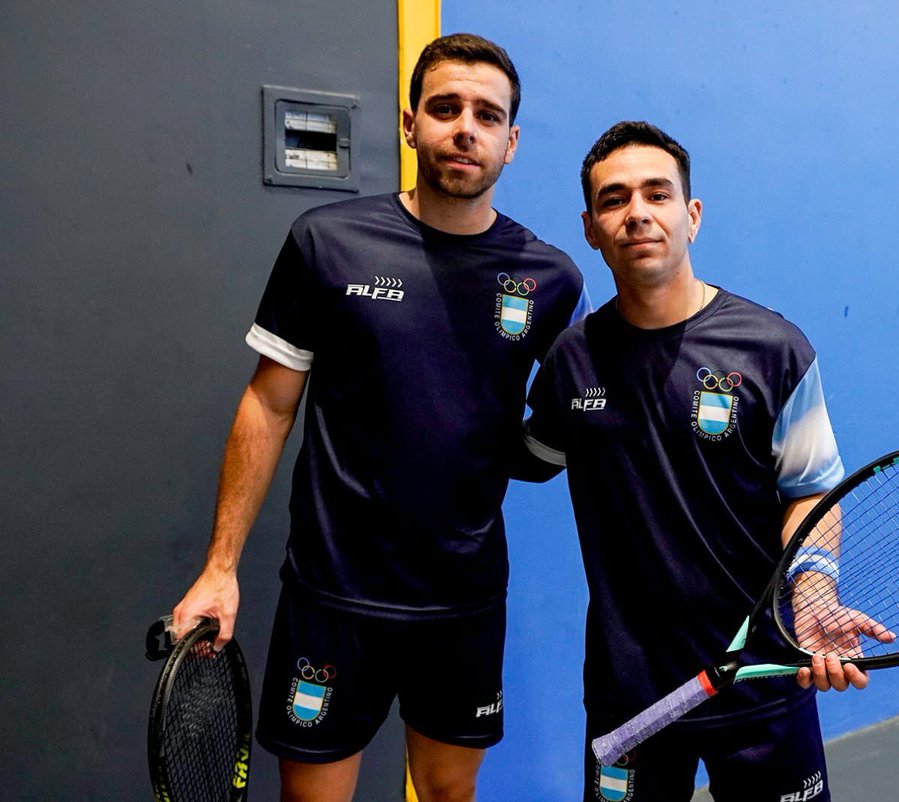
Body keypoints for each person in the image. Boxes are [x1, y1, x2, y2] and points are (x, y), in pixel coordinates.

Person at [172, 33, 589, 802]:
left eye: (486, 115)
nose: (465, 127)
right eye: (445, 107)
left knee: (448, 794)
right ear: (409, 123)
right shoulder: (327, 243)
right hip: (332, 596)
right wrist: (219, 568)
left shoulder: (551, 280)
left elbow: (568, 426)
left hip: (463, 602)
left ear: (511, 142)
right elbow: (268, 403)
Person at [521, 121, 884, 801]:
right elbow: (527, 456)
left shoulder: (773, 350)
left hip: (762, 675)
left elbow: (811, 491)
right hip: (630, 691)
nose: (637, 213)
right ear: (592, 228)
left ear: (691, 215)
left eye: (657, 194)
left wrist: (812, 590)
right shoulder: (572, 362)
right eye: (614, 199)